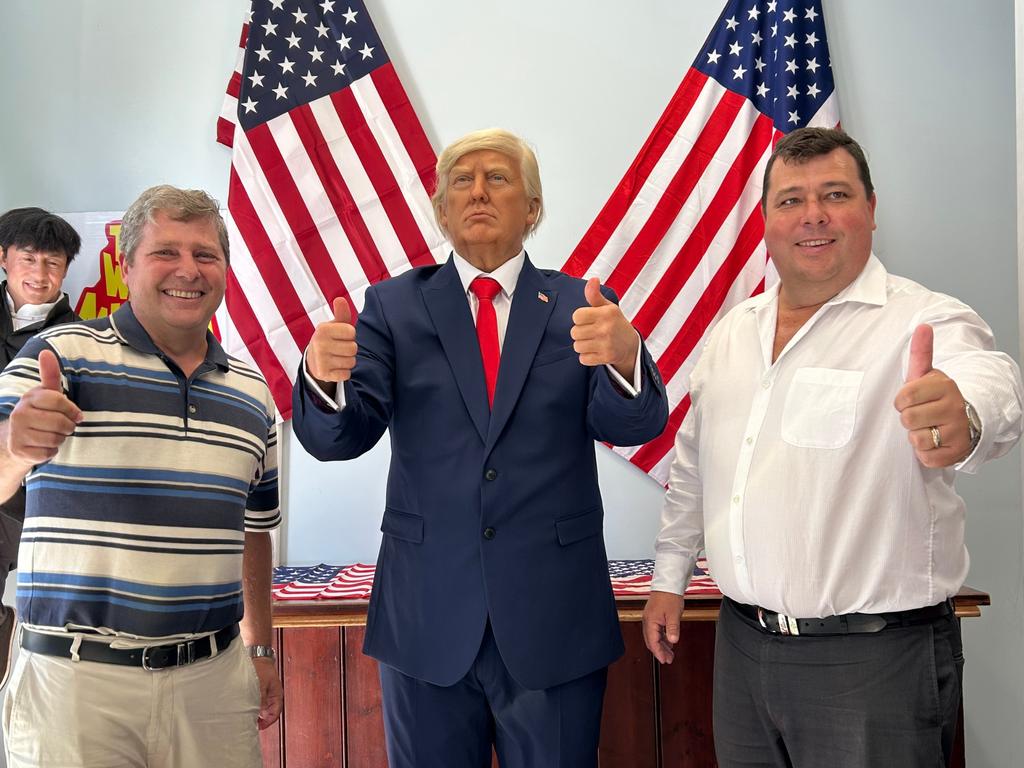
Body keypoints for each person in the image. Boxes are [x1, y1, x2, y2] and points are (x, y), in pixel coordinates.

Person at [642, 126, 1024, 768]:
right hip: (742, 649)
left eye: (835, 194)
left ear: (871, 210)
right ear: (765, 220)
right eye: (790, 200)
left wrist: (965, 413)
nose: (812, 215)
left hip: (874, 665)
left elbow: (992, 383)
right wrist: (669, 579)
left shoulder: (924, 320)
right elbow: (695, 467)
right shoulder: (733, 332)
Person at [293, 128, 669, 767]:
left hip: (555, 619)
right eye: (460, 182)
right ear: (441, 211)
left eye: (498, 177)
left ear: (532, 208)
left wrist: (626, 357)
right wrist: (322, 380)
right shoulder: (391, 306)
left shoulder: (581, 305)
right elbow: (341, 438)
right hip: (425, 618)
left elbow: (633, 425)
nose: (477, 191)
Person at [0, 186, 282, 768]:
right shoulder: (57, 354)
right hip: (75, 687)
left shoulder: (254, 395)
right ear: (125, 265)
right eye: (165, 252)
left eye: (205, 254)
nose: (188, 270)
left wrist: (260, 645)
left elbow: (254, 532)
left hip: (214, 686)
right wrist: (16, 445)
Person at [0, 207, 81, 687]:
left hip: (44, 496)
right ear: (4, 258)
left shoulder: (81, 338)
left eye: (53, 262)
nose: (40, 273)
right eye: (28, 258)